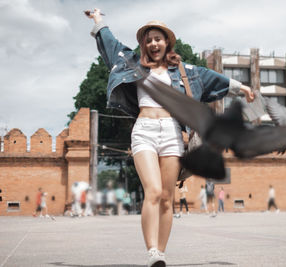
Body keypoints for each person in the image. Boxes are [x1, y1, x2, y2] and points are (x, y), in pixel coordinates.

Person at [86, 9, 254, 267]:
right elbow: (109, 44)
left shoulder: (184, 71)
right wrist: (98, 20)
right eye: (149, 39)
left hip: (173, 132)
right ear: (144, 43)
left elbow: (212, 79)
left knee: (167, 197)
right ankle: (152, 250)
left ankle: (160, 255)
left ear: (167, 43)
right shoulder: (131, 62)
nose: (154, 43)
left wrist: (240, 88)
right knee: (152, 191)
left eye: (158, 39)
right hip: (144, 130)